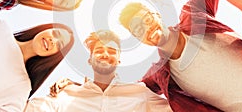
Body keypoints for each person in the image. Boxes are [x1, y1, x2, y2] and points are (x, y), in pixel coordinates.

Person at [119, 0, 242, 111]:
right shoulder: (161, 74)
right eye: (139, 30)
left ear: (157, 15)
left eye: (146, 20)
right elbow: (129, 92)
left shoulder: (193, 15)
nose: (147, 29)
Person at [25, 30, 173, 112]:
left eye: (112, 51)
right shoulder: (66, 94)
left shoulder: (139, 93)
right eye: (99, 50)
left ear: (119, 59)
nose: (105, 54)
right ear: (90, 60)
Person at [0, 13, 74, 112]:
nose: (53, 40)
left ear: (55, 55)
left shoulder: (22, 87)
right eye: (55, 33)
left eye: (59, 45)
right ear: (46, 29)